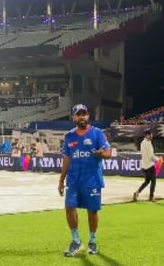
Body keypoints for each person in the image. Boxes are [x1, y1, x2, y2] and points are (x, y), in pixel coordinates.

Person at [58, 103, 112, 257]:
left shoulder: (97, 134)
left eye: (84, 114)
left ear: (88, 116)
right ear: (73, 117)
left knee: (92, 211)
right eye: (78, 114)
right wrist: (61, 180)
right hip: (74, 180)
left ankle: (93, 241)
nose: (82, 117)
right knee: (69, 208)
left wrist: (101, 154)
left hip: (92, 180)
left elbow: (108, 153)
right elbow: (66, 160)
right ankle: (76, 241)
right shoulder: (69, 136)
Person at [133, 128, 159, 202]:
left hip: (144, 165)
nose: (151, 136)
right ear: (147, 135)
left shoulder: (142, 143)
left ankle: (137, 192)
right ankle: (151, 197)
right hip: (150, 165)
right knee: (153, 181)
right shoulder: (148, 143)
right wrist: (158, 160)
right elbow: (151, 156)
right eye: (150, 134)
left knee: (147, 181)